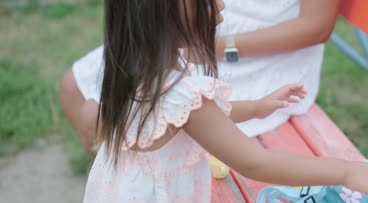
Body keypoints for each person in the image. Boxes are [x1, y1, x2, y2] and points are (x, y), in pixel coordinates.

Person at [76, 0, 368, 203]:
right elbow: (254, 163)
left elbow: (195, 117)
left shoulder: (132, 69)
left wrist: (257, 106)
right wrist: (349, 171)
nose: (221, 6)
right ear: (164, 12)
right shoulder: (180, 91)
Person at [59, 0, 339, 155]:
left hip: (254, 51)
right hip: (184, 27)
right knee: (74, 88)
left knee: (111, 115)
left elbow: (315, 27)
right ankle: (123, 192)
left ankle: (138, 197)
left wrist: (213, 46)